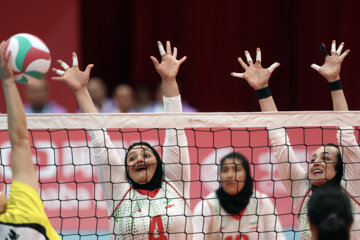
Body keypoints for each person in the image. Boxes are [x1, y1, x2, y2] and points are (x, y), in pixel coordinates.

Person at [52, 41, 192, 239]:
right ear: (125, 170)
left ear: (160, 162)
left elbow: (175, 129)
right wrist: (81, 91)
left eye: (145, 155)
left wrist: (169, 81)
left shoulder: (175, 183)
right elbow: (100, 140)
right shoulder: (119, 192)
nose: (139, 160)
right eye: (132, 158)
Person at [231, 41, 360, 239]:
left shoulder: (353, 184)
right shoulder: (301, 188)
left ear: (341, 168)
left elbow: (346, 130)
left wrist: (335, 80)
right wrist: (262, 89)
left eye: (325, 158)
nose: (316, 161)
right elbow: (279, 140)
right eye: (314, 158)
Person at [0, 42, 60, 239]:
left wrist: (8, 81)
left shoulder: (21, 203)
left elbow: (19, 140)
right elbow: (19, 140)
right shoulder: (23, 209)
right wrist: (7, 80)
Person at [193, 152, 285, 239]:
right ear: (220, 175)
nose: (229, 175)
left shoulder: (262, 202)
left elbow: (277, 237)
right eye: (225, 170)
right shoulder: (206, 206)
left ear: (247, 174)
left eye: (236, 169)